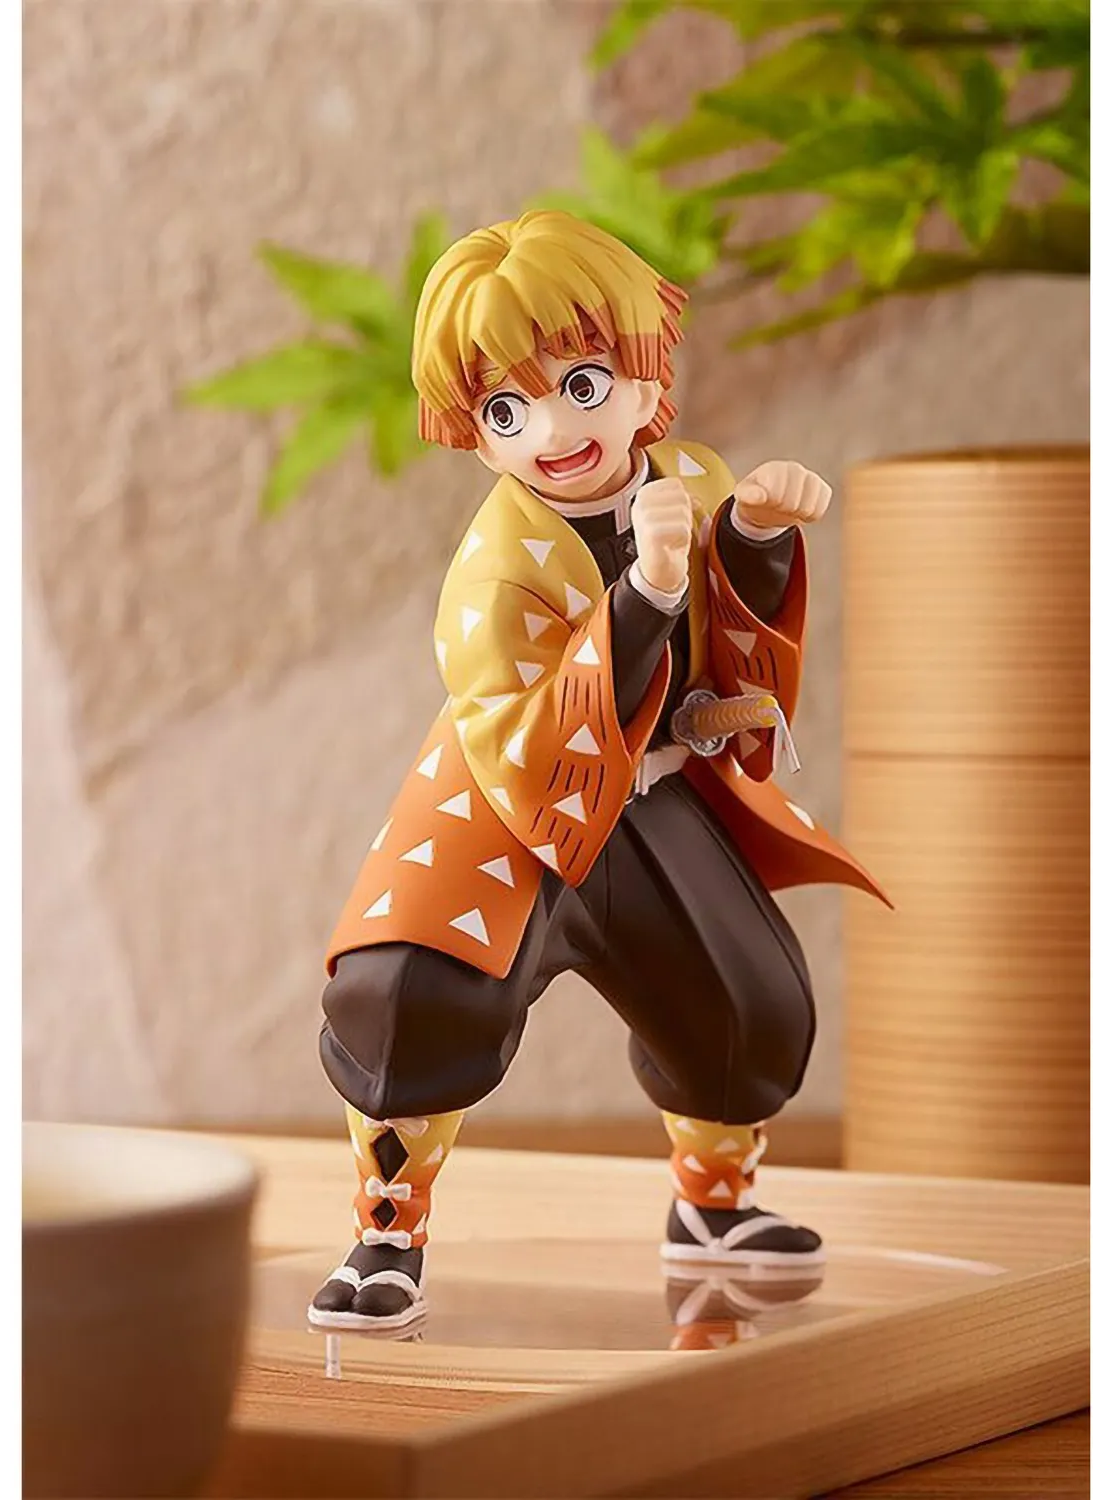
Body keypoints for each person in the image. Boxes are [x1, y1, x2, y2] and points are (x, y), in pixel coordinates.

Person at [309, 211, 888, 1332]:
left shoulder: (694, 476)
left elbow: (730, 648)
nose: (553, 430)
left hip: (653, 795)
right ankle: (387, 1232)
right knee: (415, 991)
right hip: (510, 807)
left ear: (645, 375)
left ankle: (713, 1205)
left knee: (745, 995)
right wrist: (645, 595)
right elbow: (526, 720)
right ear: (476, 436)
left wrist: (754, 536)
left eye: (583, 384)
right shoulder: (493, 569)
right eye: (506, 409)